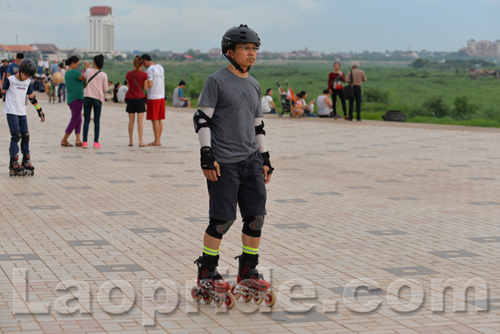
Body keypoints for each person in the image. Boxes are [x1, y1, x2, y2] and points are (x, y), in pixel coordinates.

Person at [191, 24, 275, 308]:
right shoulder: (216, 81)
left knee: (255, 217)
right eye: (246, 49)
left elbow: (257, 124)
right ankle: (207, 272)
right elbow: (202, 119)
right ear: (230, 52)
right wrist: (206, 154)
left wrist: (264, 158)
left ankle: (247, 270)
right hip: (223, 162)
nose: (251, 54)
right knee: (222, 220)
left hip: (250, 160)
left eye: (254, 49)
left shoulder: (254, 84)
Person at [0, 58, 46, 176]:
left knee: (25, 135)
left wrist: (39, 110)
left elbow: (32, 97)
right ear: (20, 70)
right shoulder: (10, 80)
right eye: (26, 74)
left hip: (22, 112)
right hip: (11, 111)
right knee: (16, 136)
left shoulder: (27, 82)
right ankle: (13, 162)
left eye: (29, 75)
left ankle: (26, 160)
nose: (27, 77)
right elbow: (2, 92)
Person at [82, 54, 108, 149]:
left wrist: (87, 67)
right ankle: (96, 142)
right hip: (98, 98)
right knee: (96, 121)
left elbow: (85, 76)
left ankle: (85, 142)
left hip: (87, 97)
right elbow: (105, 89)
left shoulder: (88, 71)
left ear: (94, 62)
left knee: (86, 120)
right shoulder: (103, 75)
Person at [141, 54, 165, 146]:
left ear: (145, 61)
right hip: (161, 96)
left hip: (153, 97)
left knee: (154, 119)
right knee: (159, 119)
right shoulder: (160, 67)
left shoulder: (149, 70)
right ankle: (158, 138)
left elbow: (149, 85)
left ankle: (157, 140)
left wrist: (144, 84)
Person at [61, 56, 84, 147]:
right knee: (75, 120)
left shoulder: (68, 72)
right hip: (76, 98)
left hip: (72, 98)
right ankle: (64, 139)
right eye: (77, 64)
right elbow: (84, 77)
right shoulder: (74, 72)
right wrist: (86, 69)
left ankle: (78, 140)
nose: (78, 66)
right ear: (72, 63)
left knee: (78, 119)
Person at [125, 56, 148, 147]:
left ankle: (131, 140)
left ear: (134, 64)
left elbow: (128, 85)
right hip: (140, 99)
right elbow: (145, 88)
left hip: (130, 98)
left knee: (131, 121)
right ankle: (140, 141)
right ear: (142, 64)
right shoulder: (144, 75)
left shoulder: (129, 74)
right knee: (140, 121)